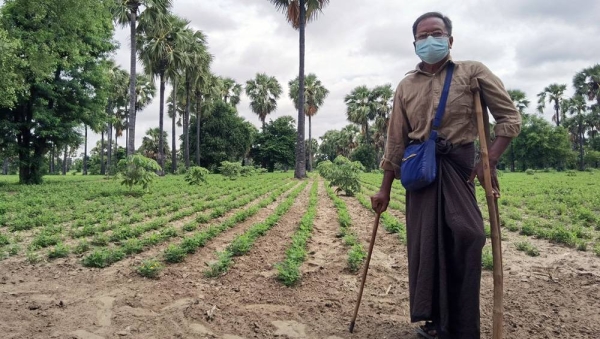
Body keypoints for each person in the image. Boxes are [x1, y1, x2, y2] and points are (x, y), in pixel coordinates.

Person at [370, 12, 521, 339]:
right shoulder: (406, 86)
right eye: (422, 37)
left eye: (435, 34)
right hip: (421, 171)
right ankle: (433, 322)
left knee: (469, 235)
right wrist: (384, 189)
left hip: (458, 165)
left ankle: (462, 326)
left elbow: (509, 118)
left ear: (450, 40)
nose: (429, 41)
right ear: (414, 44)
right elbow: (396, 141)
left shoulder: (472, 72)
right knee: (426, 247)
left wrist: (489, 160)